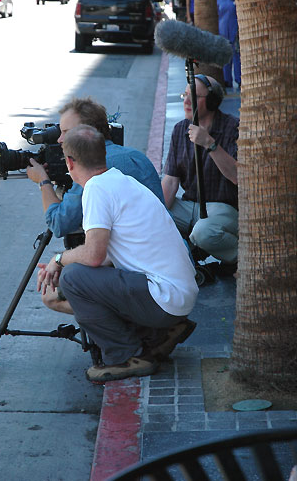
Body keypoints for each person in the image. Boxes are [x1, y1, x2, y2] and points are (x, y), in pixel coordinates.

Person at [37, 125, 198, 383]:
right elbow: (110, 256)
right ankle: (155, 334)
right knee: (75, 282)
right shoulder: (121, 180)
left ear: (69, 162)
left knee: (73, 278)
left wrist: (59, 260)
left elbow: (93, 257)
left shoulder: (97, 189)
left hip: (165, 297)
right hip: (176, 295)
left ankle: (127, 356)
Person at [26, 97, 166, 314]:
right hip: (163, 268)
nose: (60, 140)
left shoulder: (94, 169)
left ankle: (134, 337)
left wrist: (43, 181)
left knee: (54, 294)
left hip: (141, 278)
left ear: (87, 134)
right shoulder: (134, 156)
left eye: (66, 132)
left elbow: (59, 222)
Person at [161, 75, 239, 275]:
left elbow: (238, 177)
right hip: (190, 206)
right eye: (185, 95)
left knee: (204, 232)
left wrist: (210, 144)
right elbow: (170, 182)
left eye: (193, 96)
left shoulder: (233, 128)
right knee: (149, 216)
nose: (186, 101)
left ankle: (242, 257)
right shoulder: (180, 130)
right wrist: (155, 214)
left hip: (224, 207)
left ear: (212, 101)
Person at [217, 0, 241, 88]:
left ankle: (239, 79)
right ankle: (227, 80)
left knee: (237, 56)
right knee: (226, 57)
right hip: (223, 32)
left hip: (235, 31)